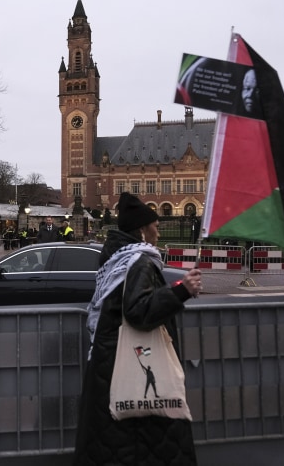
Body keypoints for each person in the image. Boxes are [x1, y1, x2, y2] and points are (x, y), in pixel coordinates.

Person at [73, 192, 201, 466]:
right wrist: (181, 291)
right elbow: (138, 311)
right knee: (142, 442)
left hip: (110, 363)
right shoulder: (139, 262)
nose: (158, 228)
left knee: (111, 443)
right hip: (134, 364)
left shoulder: (117, 258)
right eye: (154, 224)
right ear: (142, 229)